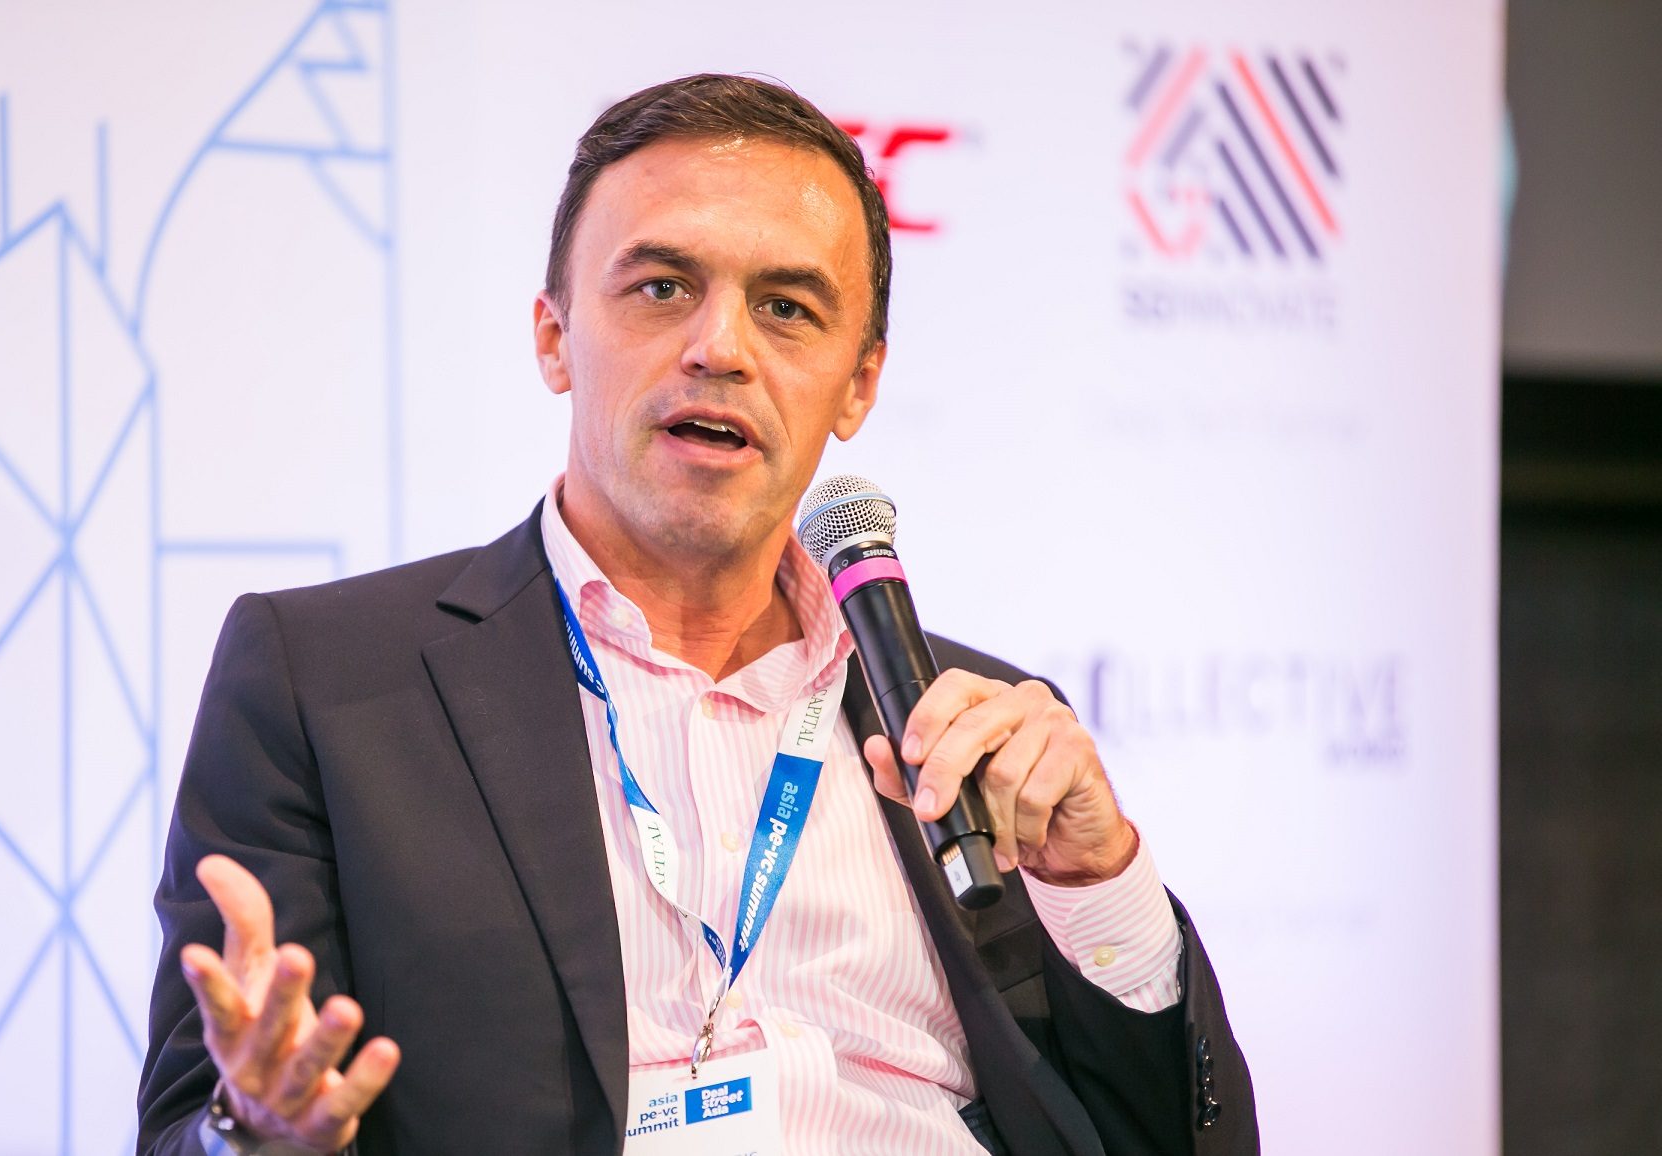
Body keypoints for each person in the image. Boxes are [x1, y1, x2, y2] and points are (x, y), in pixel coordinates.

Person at [137, 73, 1255, 1155]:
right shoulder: (331, 682)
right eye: (662, 287)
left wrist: (1099, 883)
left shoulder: (973, 732)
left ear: (859, 383)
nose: (721, 348)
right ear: (554, 337)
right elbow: (200, 1121)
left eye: (786, 308)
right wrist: (263, 1135)